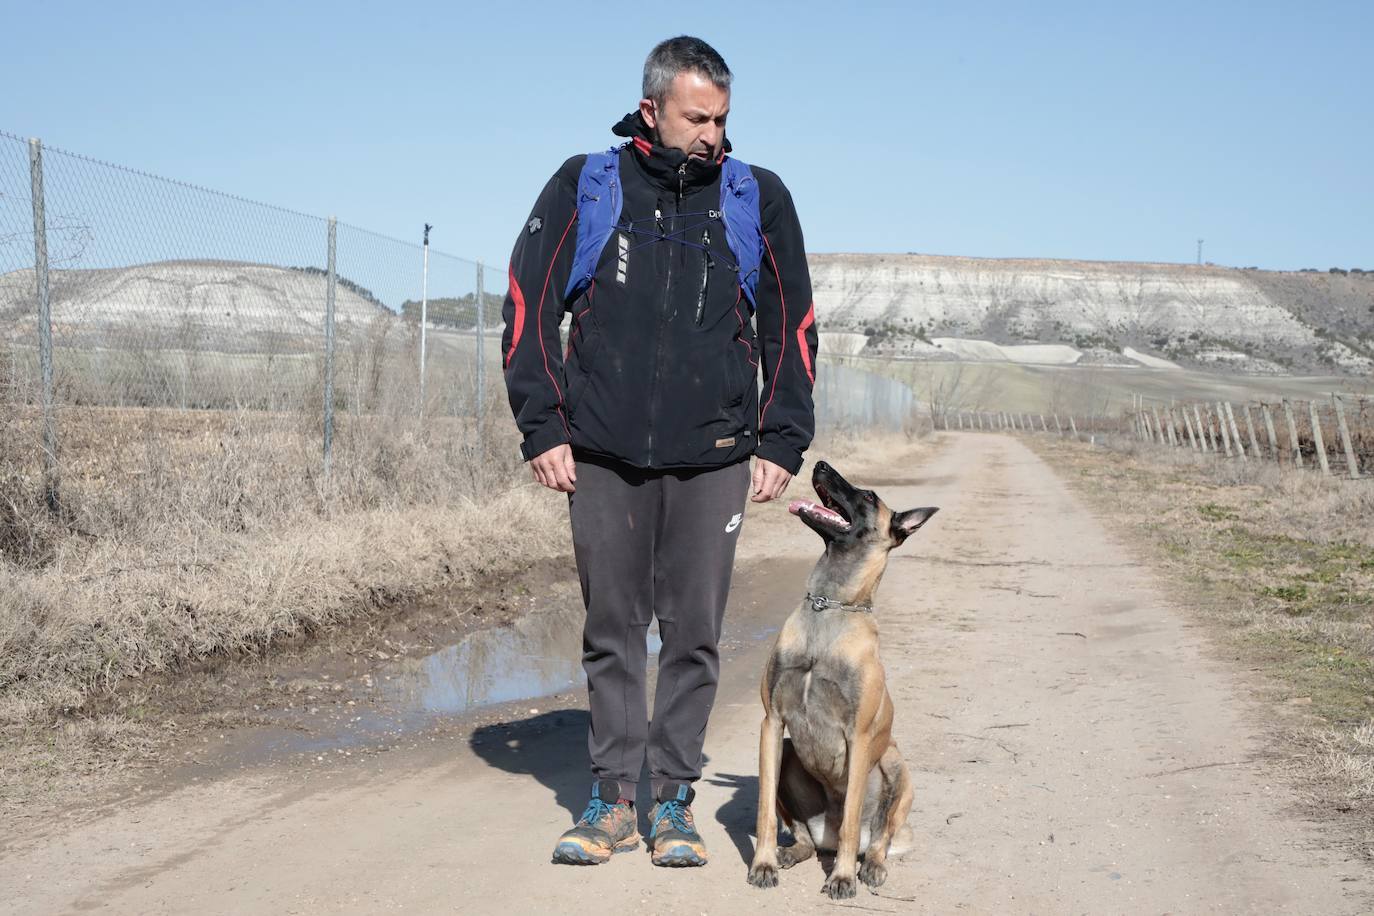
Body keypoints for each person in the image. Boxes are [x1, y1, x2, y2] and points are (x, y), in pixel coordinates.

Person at [500, 35, 818, 868]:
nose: (714, 134)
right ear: (651, 110)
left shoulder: (757, 197)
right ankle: (610, 800)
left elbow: (793, 328)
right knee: (613, 627)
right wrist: (544, 428)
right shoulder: (587, 184)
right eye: (697, 116)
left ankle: (672, 799)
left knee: (693, 634)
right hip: (600, 452)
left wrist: (780, 439)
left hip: (715, 453)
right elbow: (527, 307)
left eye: (722, 117)